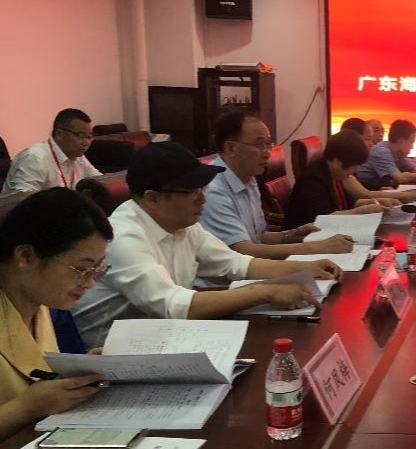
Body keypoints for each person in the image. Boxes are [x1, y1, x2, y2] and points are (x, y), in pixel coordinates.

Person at [71, 142, 343, 348]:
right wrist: (263, 292)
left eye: (202, 189)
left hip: (165, 338)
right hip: (111, 357)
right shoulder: (122, 237)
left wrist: (305, 267)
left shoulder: (182, 223)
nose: (202, 199)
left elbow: (237, 264)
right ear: (152, 198)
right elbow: (173, 305)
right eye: (191, 191)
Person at [0, 188, 112, 438]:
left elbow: (32, 373)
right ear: (26, 256)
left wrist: (76, 372)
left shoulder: (40, 302)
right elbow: (29, 398)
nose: (90, 283)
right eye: (82, 269)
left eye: (97, 269)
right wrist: (25, 408)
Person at [200, 109, 354, 259]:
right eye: (260, 145)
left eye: (268, 144)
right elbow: (244, 251)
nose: (267, 153)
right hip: (232, 275)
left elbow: (259, 237)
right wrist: (317, 247)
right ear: (231, 148)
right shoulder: (214, 191)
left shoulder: (249, 179)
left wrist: (292, 234)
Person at [284, 131, 392, 229]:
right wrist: (360, 212)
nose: (354, 171)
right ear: (338, 162)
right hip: (304, 238)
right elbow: (324, 219)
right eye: (354, 166)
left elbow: (351, 203)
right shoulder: (313, 180)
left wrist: (373, 202)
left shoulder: (334, 172)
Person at [3, 109, 102, 194]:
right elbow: (24, 201)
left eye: (89, 137)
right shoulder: (34, 158)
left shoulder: (78, 157)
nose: (86, 142)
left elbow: (100, 182)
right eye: (80, 135)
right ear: (59, 134)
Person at [339, 118, 416, 204]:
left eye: (382, 131)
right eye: (368, 139)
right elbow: (365, 194)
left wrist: (380, 197)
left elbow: (355, 201)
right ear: (352, 139)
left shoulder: (349, 165)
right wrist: (407, 195)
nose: (371, 144)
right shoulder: (340, 166)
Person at [355, 119, 416, 190]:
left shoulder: (398, 152)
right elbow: (400, 178)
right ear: (400, 141)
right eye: (411, 142)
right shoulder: (381, 151)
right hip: (365, 188)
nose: (412, 147)